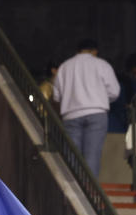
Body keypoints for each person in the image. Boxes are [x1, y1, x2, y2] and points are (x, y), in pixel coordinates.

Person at [52, 39, 121, 178]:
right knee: (92, 156)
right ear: (95, 51)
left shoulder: (65, 67)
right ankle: (89, 194)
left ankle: (73, 193)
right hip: (96, 113)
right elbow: (114, 91)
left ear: (78, 50)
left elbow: (56, 96)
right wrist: (99, 98)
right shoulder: (102, 64)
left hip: (70, 115)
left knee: (72, 157)